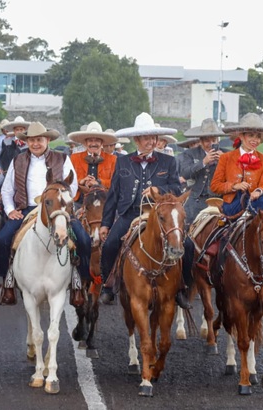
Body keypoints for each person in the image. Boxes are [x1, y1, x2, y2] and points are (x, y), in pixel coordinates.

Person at [98, 113, 193, 308]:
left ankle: (182, 288)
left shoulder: (168, 161)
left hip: (159, 216)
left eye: (154, 137)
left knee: (189, 246)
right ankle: (108, 286)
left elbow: (176, 189)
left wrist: (160, 190)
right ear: (137, 140)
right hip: (129, 213)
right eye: (147, 137)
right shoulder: (122, 162)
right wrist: (106, 224)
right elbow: (113, 195)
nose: (151, 141)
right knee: (109, 245)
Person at [0, 122, 92, 305]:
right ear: (27, 142)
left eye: (39, 139)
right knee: (2, 240)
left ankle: (80, 281)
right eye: (32, 140)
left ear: (47, 140)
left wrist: (63, 207)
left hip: (57, 210)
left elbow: (71, 186)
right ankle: (7, 281)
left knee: (84, 239)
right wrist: (10, 211)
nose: (35, 144)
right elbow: (7, 190)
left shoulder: (62, 158)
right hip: (27, 209)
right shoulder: (18, 160)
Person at [209, 112, 263, 279]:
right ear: (241, 136)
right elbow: (215, 186)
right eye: (251, 135)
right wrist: (233, 186)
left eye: (258, 137)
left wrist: (259, 190)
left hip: (257, 202)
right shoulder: (227, 158)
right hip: (233, 205)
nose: (255, 140)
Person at [180, 118, 225, 227]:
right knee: (185, 227)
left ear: (218, 140)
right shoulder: (190, 153)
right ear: (200, 141)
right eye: (207, 141)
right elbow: (185, 173)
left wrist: (224, 162)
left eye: (214, 140)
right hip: (196, 199)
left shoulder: (226, 154)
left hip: (219, 200)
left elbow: (234, 177)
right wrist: (203, 162)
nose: (211, 144)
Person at [68, 121, 117, 206]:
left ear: (102, 143)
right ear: (85, 143)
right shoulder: (74, 158)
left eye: (97, 140)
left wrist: (98, 182)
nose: (93, 143)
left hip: (104, 201)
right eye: (90, 140)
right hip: (79, 202)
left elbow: (116, 183)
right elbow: (68, 181)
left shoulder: (112, 159)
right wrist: (82, 181)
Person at [0, 116, 29, 206]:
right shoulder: (6, 141)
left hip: (24, 174)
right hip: (6, 172)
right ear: (14, 131)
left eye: (21, 129)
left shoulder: (29, 143)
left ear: (25, 130)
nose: (19, 131)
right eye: (17, 129)